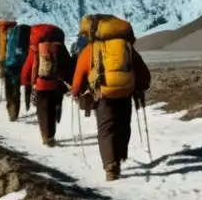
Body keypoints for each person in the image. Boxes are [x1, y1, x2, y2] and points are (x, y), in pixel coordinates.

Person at [71, 15, 151, 181]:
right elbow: (143, 72)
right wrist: (140, 86)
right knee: (123, 125)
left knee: (106, 129)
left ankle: (110, 166)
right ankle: (119, 158)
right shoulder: (126, 47)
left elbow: (79, 75)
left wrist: (76, 93)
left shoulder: (90, 50)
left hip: (103, 93)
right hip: (126, 92)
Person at [21, 23, 71, 146]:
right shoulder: (60, 47)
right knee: (53, 109)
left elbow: (28, 66)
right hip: (57, 84)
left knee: (43, 111)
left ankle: (46, 137)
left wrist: (24, 80)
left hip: (41, 84)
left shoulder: (36, 48)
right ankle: (52, 134)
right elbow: (68, 65)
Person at [2, 23, 30, 121]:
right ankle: (17, 110)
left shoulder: (12, 36)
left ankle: (12, 113)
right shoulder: (27, 38)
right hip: (23, 67)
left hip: (10, 66)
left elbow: (7, 52)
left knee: (11, 90)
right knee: (16, 90)